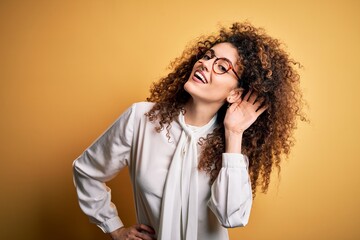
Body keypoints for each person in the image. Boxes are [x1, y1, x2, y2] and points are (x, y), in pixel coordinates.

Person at [73, 22, 306, 240]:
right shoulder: (141, 119)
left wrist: (234, 134)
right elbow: (86, 170)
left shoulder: (231, 144)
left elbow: (231, 216)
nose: (205, 64)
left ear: (234, 94)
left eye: (222, 66)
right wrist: (114, 227)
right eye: (207, 56)